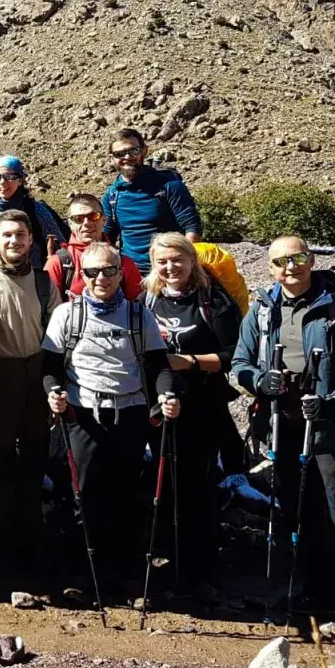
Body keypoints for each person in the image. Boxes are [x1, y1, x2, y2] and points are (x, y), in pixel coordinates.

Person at [232, 236, 335, 650]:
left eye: (299, 257)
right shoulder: (263, 310)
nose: (291, 267)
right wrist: (259, 382)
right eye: (282, 261)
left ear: (312, 260)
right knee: (301, 515)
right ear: (271, 268)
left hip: (331, 429)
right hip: (282, 428)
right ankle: (321, 602)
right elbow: (241, 364)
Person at [43, 242, 176, 600]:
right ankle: (80, 575)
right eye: (92, 272)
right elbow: (51, 366)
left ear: (121, 272)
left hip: (129, 414)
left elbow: (158, 363)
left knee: (126, 497)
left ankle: (128, 577)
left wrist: (165, 394)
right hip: (83, 415)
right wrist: (54, 391)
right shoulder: (66, 315)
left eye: (108, 270)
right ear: (82, 275)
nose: (101, 278)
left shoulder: (138, 315)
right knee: (82, 496)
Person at [142, 233, 242, 601]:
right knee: (163, 481)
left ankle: (200, 571)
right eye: (163, 261)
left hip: (203, 405)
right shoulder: (146, 299)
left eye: (177, 260)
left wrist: (191, 363)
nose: (171, 268)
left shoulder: (213, 300)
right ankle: (167, 561)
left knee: (197, 485)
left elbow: (235, 354)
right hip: (159, 405)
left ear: (191, 261)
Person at [0, 209, 62, 566]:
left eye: (20, 235)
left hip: (37, 374)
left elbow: (57, 338)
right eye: (6, 235)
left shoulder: (44, 283)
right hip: (0, 375)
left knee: (35, 458)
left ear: (31, 240)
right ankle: (2, 544)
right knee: (0, 460)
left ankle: (34, 537)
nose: (14, 241)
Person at [101, 129, 202, 271]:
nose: (127, 157)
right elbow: (107, 238)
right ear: (112, 158)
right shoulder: (111, 196)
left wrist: (184, 267)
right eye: (120, 154)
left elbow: (192, 228)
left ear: (145, 151)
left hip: (168, 271)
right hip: (131, 275)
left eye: (134, 150)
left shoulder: (169, 185)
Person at [0, 155, 69, 271]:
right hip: (1, 283)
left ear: (20, 180)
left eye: (9, 176)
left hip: (36, 281)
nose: (2, 182)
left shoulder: (37, 211)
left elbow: (61, 247)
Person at [45, 194, 143, 301]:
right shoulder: (58, 264)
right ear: (70, 224)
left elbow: (137, 308)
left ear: (104, 220)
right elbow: (49, 310)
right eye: (78, 218)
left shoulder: (124, 264)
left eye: (93, 216)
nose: (87, 223)